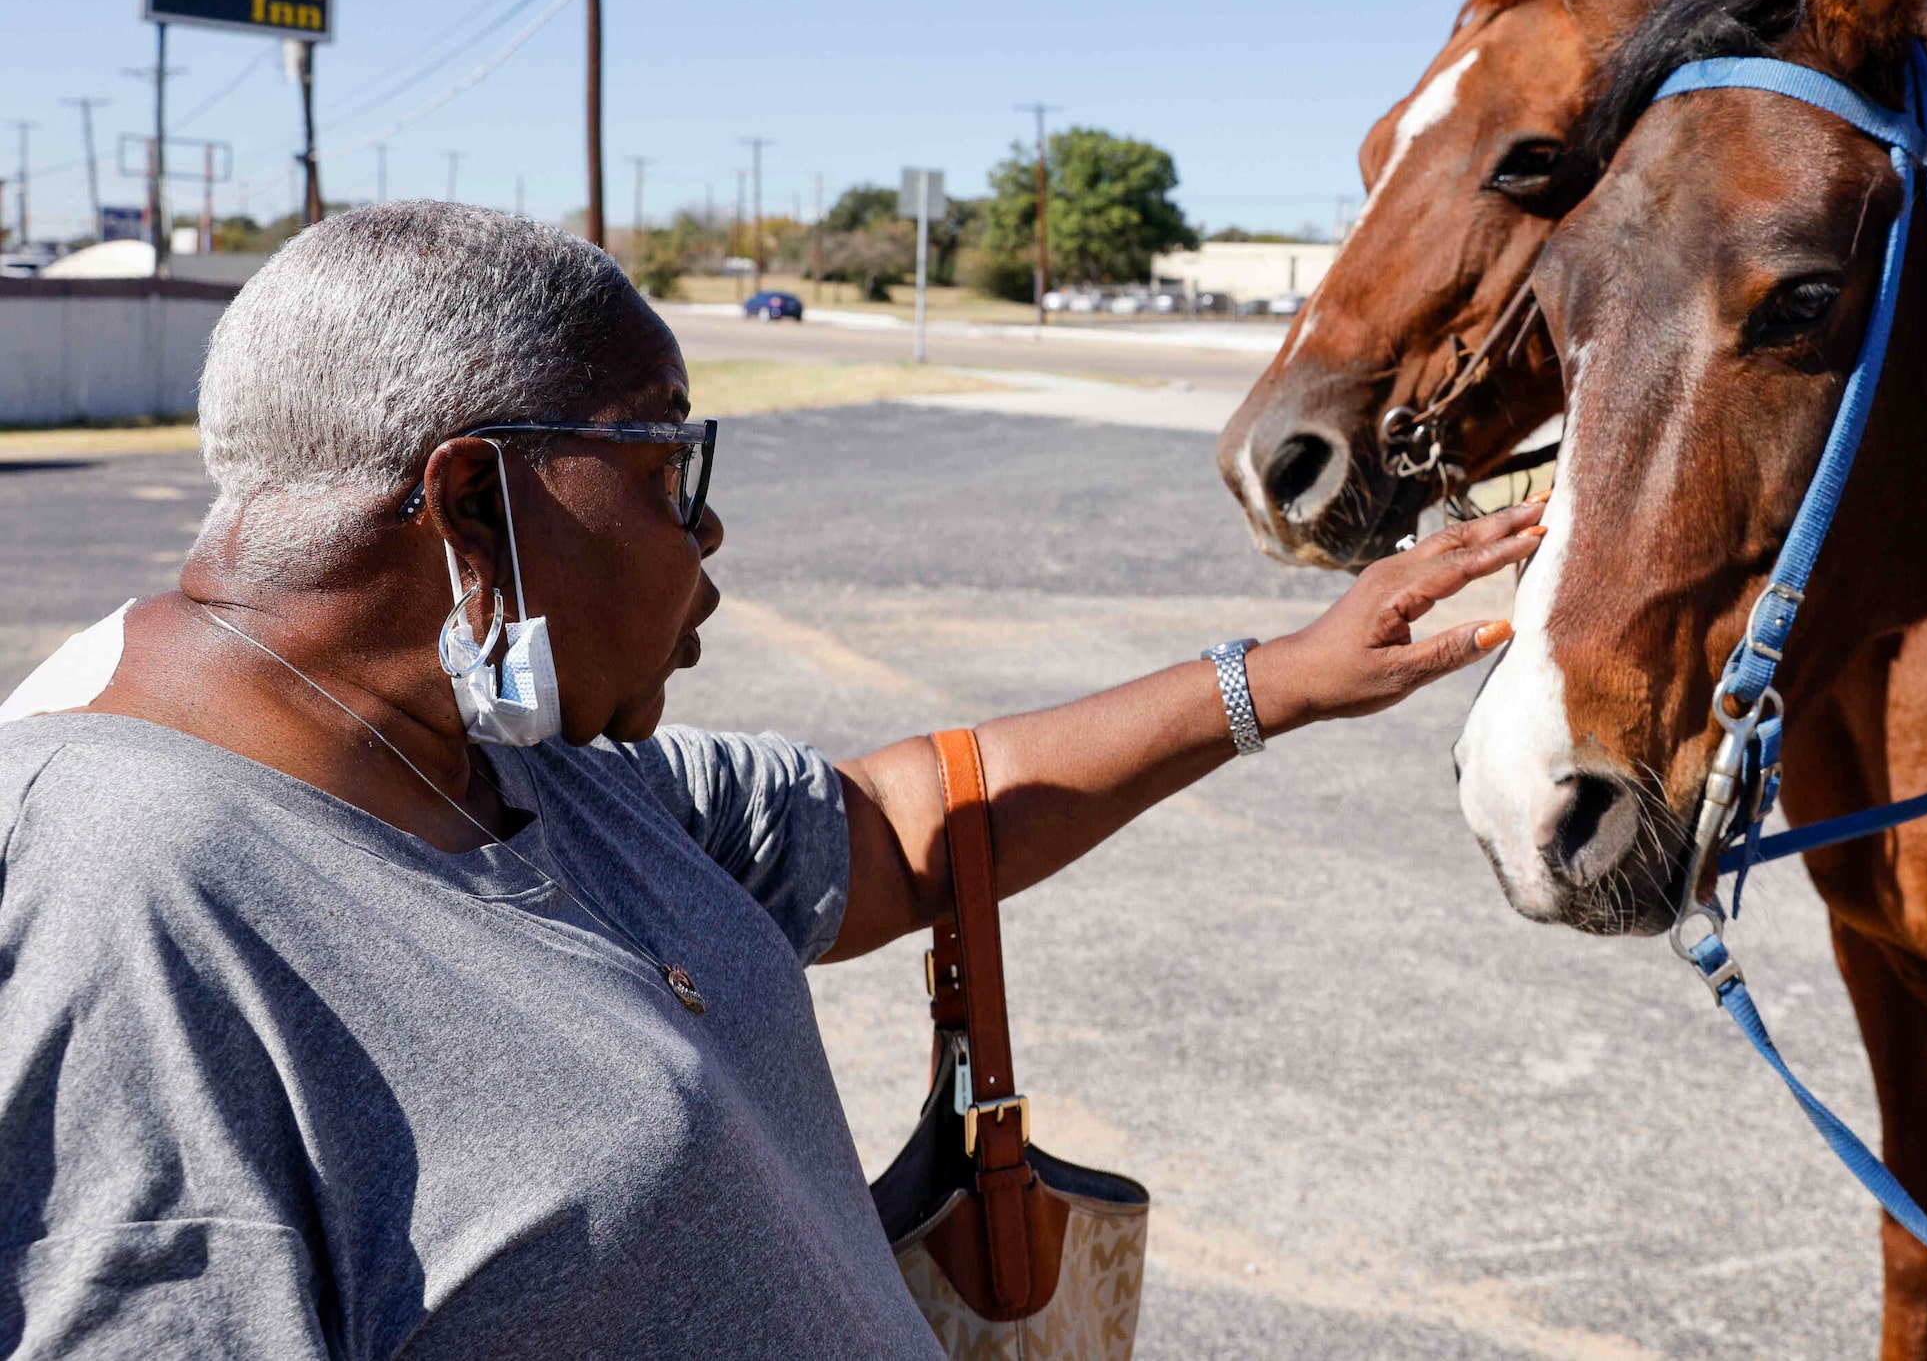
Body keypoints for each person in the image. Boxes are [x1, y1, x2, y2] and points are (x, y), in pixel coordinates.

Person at [0, 202, 1540, 1359]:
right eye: (671, 473)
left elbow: (898, 823)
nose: (708, 540)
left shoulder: (519, 760)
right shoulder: (134, 914)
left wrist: (1284, 675)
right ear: (473, 497)